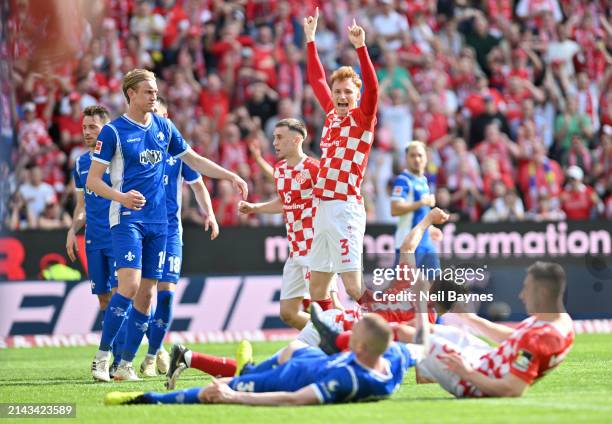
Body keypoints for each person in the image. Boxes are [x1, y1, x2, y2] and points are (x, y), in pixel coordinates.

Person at [88, 68, 247, 382]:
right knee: (130, 287)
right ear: (131, 93)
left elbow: (195, 161)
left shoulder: (165, 127)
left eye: (156, 91)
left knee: (147, 296)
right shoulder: (113, 132)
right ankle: (101, 358)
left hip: (160, 223)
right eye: (148, 92)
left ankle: (124, 366)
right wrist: (121, 197)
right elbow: (93, 181)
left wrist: (229, 175)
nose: (154, 96)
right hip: (128, 219)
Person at [317, 261, 575, 398]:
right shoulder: (555, 321)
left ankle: (341, 346)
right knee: (404, 331)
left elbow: (512, 389)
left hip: (472, 378)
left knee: (414, 337)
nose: (521, 295)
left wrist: (466, 373)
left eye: (527, 289)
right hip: (483, 358)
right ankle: (343, 340)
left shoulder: (544, 338)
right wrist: (471, 319)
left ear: (542, 292)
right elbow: (514, 338)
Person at [104, 314, 420, 406]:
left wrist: (235, 396)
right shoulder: (391, 357)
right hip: (308, 358)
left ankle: (145, 400)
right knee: (295, 346)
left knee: (218, 390)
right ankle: (250, 368)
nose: (348, 341)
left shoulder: (351, 381)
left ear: (362, 350)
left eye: (351, 339)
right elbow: (412, 342)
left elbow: (295, 399)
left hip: (293, 377)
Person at [139, 96, 220, 377]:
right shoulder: (137, 150)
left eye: (161, 116)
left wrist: (208, 213)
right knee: (144, 294)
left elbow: (198, 186)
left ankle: (151, 356)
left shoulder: (177, 152)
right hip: (142, 228)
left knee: (166, 297)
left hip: (171, 230)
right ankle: (157, 349)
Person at [304, 8, 379, 308]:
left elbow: (373, 87)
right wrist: (310, 40)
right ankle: (334, 343)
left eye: (348, 91)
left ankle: (389, 332)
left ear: (357, 96)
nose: (342, 95)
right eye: (338, 91)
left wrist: (361, 48)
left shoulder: (363, 119)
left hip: (345, 208)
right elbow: (316, 79)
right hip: (323, 209)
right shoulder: (332, 115)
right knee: (318, 288)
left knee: (352, 286)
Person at [239, 119, 341, 329]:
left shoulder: (314, 168)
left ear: (296, 140)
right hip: (296, 250)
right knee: (288, 313)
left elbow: (335, 197)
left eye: (279, 137)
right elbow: (285, 200)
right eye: (274, 137)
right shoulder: (281, 169)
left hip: (316, 248)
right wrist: (255, 208)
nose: (274, 142)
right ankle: (336, 338)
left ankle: (353, 342)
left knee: (326, 308)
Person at [390, 141, 441, 270]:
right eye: (412, 155)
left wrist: (430, 228)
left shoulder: (423, 181)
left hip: (425, 241)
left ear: (426, 157)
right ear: (406, 158)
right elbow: (395, 209)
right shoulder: (403, 180)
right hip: (408, 241)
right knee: (401, 286)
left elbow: (420, 214)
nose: (417, 159)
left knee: (435, 282)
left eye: (420, 155)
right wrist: (422, 203)